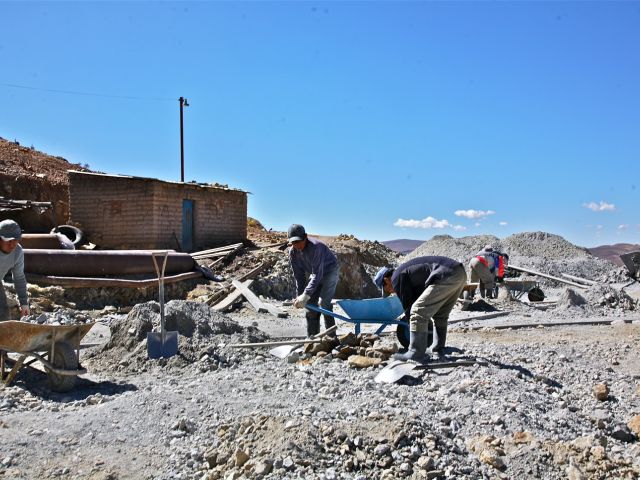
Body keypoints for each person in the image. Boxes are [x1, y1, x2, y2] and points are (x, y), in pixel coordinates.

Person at [374, 256, 466, 362]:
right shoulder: (407, 273)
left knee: (417, 311)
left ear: (386, 280)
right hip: (459, 272)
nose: (391, 292)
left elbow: (409, 307)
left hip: (446, 274)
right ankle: (438, 348)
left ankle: (415, 353)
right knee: (440, 314)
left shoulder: (396, 277)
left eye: (387, 289)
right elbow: (420, 299)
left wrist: (414, 326)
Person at [288, 224, 340, 337]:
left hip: (330, 270)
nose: (296, 245)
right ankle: (312, 340)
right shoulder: (293, 253)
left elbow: (318, 274)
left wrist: (306, 294)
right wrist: (301, 296)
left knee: (324, 304)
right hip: (316, 273)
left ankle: (332, 339)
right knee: (310, 305)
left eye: (298, 241)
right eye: (293, 243)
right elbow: (299, 276)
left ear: (305, 237)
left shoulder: (316, 247)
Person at [0, 220, 29, 320]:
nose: (12, 245)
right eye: (8, 241)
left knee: (3, 315)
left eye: (15, 240)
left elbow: (19, 278)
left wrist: (24, 303)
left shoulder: (17, 252)